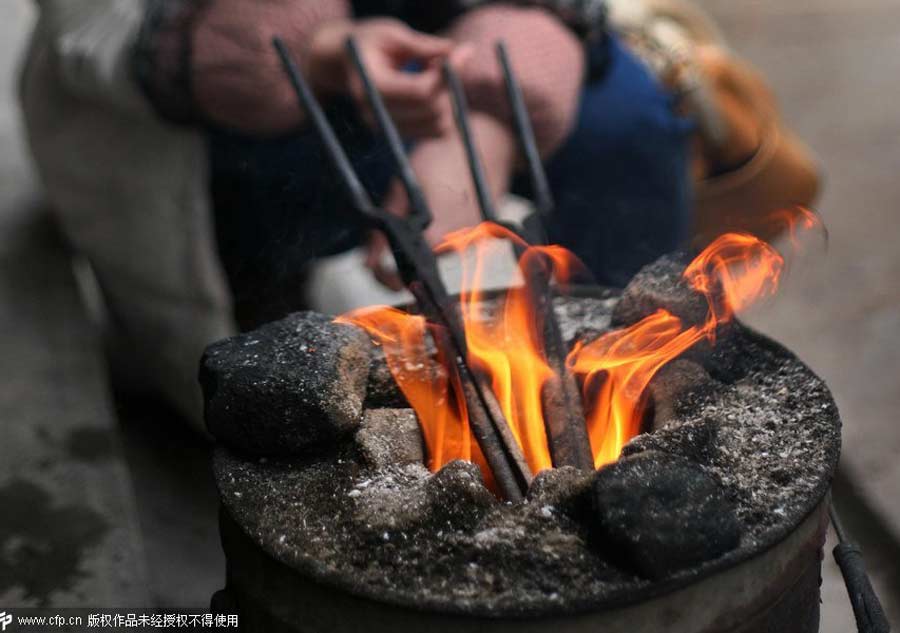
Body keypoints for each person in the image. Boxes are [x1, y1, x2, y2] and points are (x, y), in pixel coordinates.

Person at [20, 0, 817, 430]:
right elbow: (85, 32)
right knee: (276, 209)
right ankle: (278, 402)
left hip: (457, 51)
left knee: (630, 125)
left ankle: (618, 385)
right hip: (233, 89)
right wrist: (306, 48)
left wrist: (487, 108)